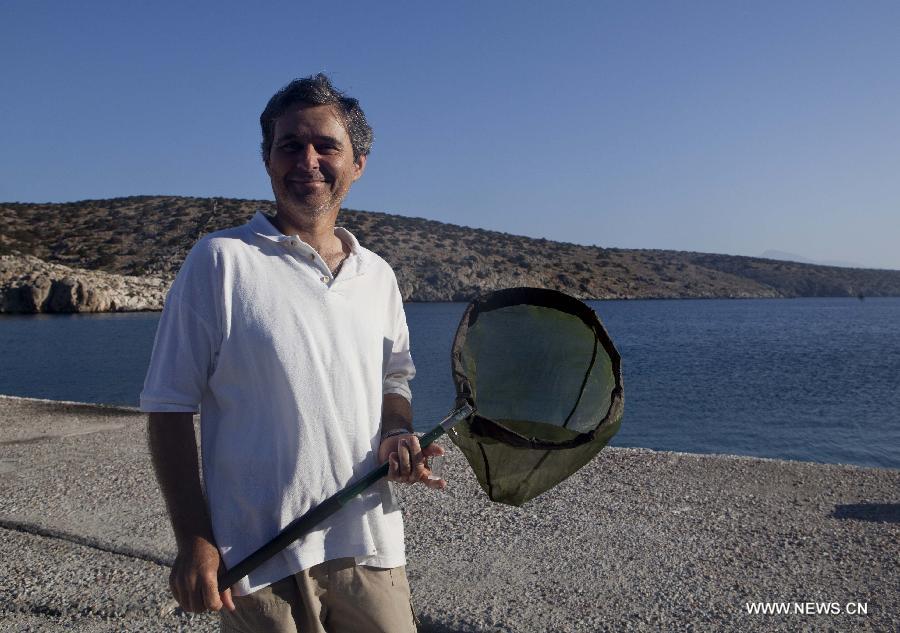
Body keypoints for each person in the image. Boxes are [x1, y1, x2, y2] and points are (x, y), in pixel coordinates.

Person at [141, 73, 442, 633]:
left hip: (370, 544)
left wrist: (397, 432)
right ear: (267, 159)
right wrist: (195, 540)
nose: (307, 160)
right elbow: (168, 406)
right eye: (289, 145)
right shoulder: (220, 261)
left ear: (358, 164)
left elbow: (394, 376)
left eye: (326, 146)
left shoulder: (377, 275)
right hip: (260, 559)